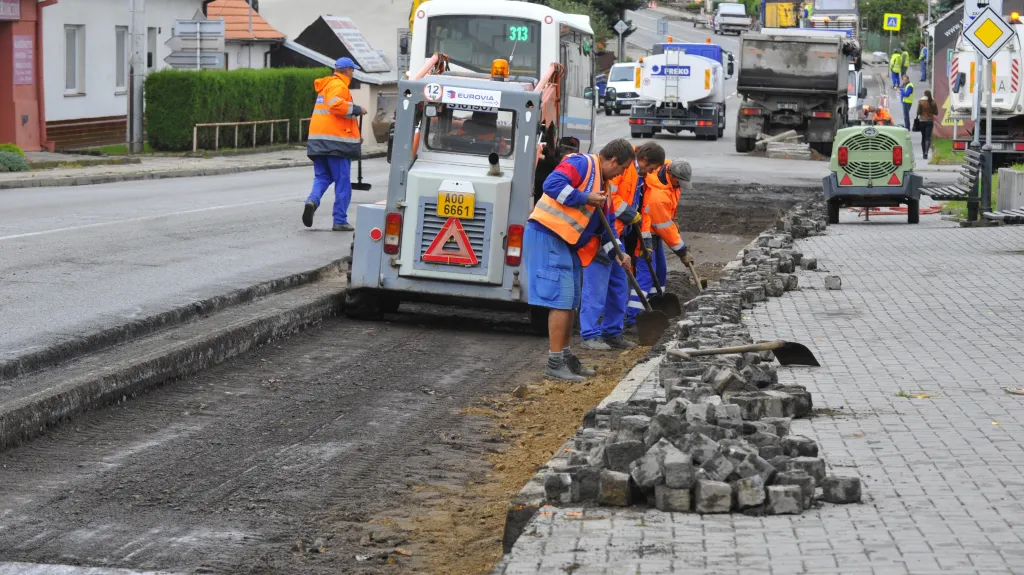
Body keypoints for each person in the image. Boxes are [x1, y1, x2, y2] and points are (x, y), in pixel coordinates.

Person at [524, 139, 635, 381]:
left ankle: (565, 357)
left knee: (571, 299)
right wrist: (584, 197)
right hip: (547, 235)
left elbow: (606, 232)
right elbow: (552, 184)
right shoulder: (582, 163)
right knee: (562, 301)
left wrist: (619, 254)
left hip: (565, 243)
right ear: (613, 160)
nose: (621, 174)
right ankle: (554, 363)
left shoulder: (603, 186)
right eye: (623, 168)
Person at [579, 142, 666, 351]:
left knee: (619, 286)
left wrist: (643, 242)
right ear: (644, 160)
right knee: (597, 288)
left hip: (618, 237)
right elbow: (609, 198)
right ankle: (590, 334)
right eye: (652, 168)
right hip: (601, 236)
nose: (652, 172)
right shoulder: (623, 169)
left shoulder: (638, 176)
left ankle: (612, 333)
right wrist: (628, 213)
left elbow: (639, 209)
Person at [626, 159, 693, 326]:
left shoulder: (670, 176)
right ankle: (632, 317)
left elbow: (668, 219)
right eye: (680, 181)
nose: (681, 186)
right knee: (646, 275)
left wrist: (673, 220)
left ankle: (655, 306)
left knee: (661, 272)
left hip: (655, 233)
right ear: (671, 174)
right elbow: (664, 228)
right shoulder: (658, 196)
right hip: (644, 234)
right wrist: (682, 251)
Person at [302, 57, 366, 232]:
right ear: (346, 70)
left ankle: (312, 201)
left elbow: (334, 119)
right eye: (352, 70)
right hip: (335, 144)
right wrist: (357, 109)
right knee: (342, 181)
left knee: (322, 177)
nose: (353, 74)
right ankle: (339, 220)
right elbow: (335, 106)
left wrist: (355, 136)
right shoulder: (339, 85)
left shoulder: (326, 86)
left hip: (318, 141)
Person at [917, 89, 938, 159]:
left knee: (923, 137)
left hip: (922, 121)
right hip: (930, 121)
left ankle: (923, 153)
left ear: (924, 94)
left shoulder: (921, 101)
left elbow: (918, 112)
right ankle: (926, 152)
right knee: (928, 137)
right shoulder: (933, 102)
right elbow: (936, 112)